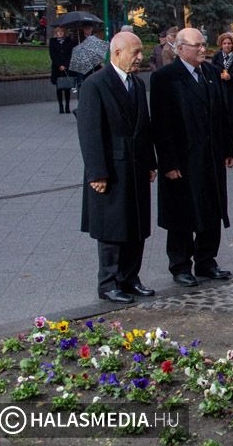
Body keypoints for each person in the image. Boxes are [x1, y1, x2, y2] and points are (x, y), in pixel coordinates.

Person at [150, 27, 233, 287]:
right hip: (183, 160)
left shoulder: (210, 72)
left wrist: (229, 149)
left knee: (212, 209)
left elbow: (223, 113)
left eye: (203, 44)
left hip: (210, 157)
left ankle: (207, 261)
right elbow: (161, 124)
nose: (202, 49)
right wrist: (168, 162)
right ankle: (180, 265)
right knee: (183, 214)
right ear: (180, 49)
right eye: (196, 45)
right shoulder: (165, 78)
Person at [76, 32, 157, 303]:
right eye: (135, 53)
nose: (140, 58)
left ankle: (130, 278)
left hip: (136, 168)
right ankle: (109, 283)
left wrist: (150, 162)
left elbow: (144, 127)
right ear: (117, 53)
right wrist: (96, 172)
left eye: (141, 52)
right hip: (111, 170)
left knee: (137, 226)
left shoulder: (136, 83)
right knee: (112, 229)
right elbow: (90, 133)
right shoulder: (95, 84)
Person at [49, 26, 76, 114]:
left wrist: (65, 65)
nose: (59, 33)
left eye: (61, 32)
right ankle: (61, 106)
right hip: (57, 68)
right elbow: (52, 55)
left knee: (67, 87)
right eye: (58, 32)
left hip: (67, 67)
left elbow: (70, 54)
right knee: (59, 87)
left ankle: (67, 105)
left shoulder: (69, 42)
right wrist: (59, 65)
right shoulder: (52, 42)